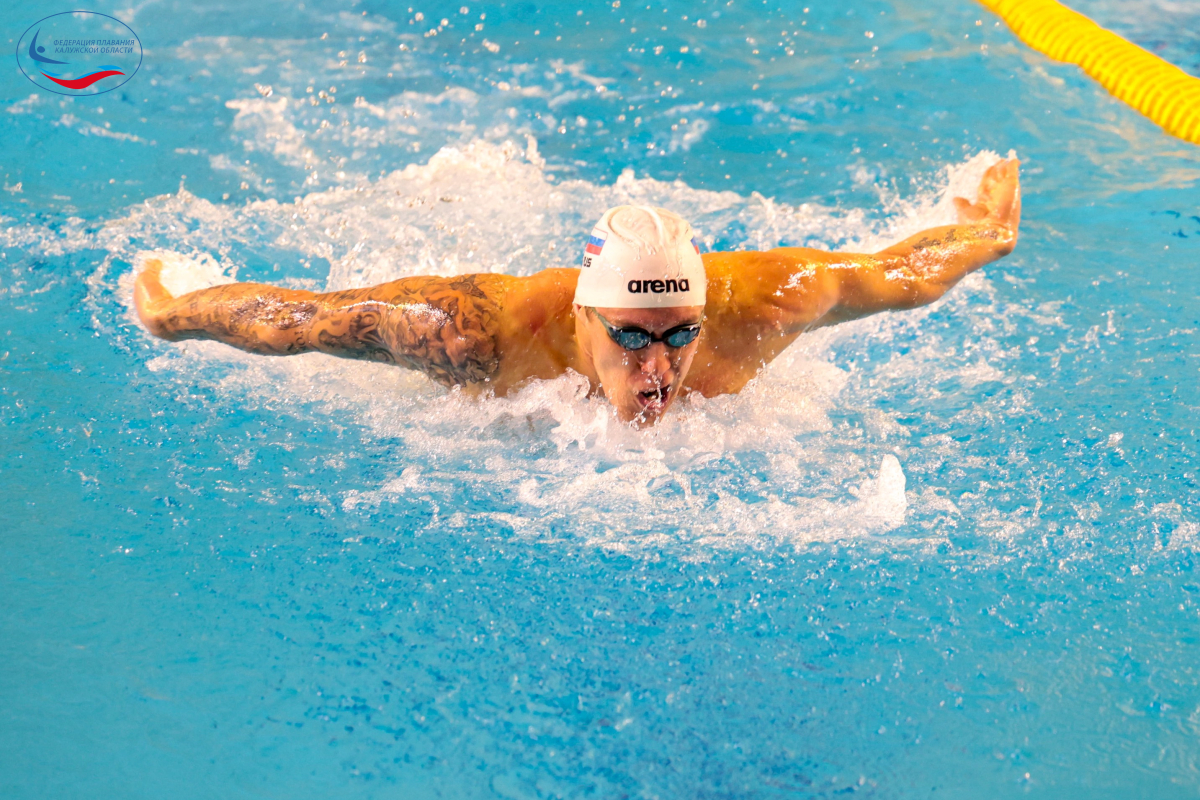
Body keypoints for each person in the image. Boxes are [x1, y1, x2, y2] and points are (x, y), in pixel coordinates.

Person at [135, 159, 1020, 427]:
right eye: (631, 337)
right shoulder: (480, 330)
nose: (660, 365)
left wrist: (986, 235)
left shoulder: (770, 305)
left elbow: (902, 274)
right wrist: (175, 315)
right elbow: (304, 321)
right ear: (583, 317)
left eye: (679, 335)